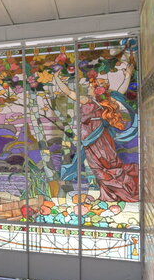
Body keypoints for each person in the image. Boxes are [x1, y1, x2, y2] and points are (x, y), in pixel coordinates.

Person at [54, 63, 139, 202]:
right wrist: (56, 79)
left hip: (99, 139)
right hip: (90, 140)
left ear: (96, 90)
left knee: (106, 165)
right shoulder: (92, 100)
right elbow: (69, 92)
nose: (88, 87)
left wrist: (57, 79)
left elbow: (69, 92)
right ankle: (109, 195)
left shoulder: (92, 101)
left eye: (90, 86)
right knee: (98, 168)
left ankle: (117, 193)